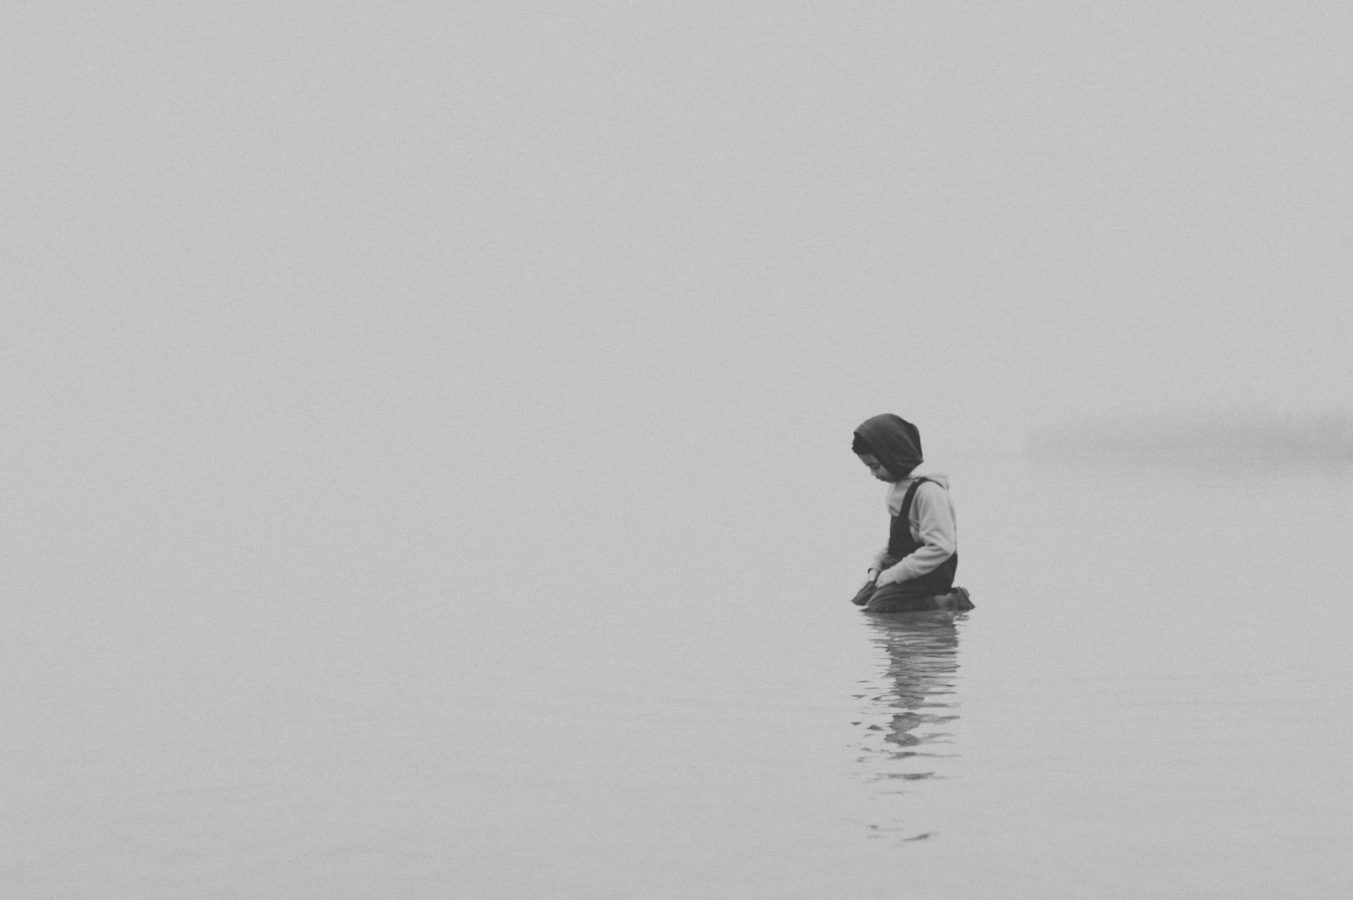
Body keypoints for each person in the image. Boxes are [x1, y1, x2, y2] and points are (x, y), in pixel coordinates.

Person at [850, 414, 972, 613]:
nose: (874, 474)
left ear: (893, 456)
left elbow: (941, 547)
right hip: (905, 567)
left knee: (880, 608)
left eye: (875, 466)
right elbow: (898, 540)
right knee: (861, 600)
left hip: (931, 573)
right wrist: (878, 565)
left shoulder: (929, 492)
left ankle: (948, 601)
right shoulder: (898, 489)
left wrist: (892, 575)